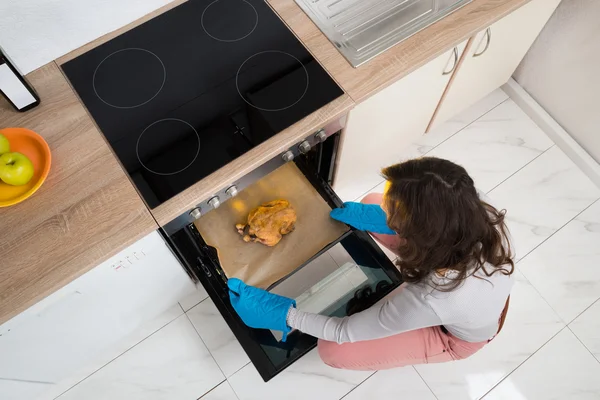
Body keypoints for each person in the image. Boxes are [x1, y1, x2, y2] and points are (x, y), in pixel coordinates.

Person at [227, 157, 515, 370]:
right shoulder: (474, 204)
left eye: (394, 211)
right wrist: (384, 215)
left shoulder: (435, 297)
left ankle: (440, 344)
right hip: (481, 293)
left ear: (424, 232)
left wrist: (285, 315)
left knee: (334, 350)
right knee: (372, 200)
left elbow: (344, 330)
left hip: (456, 334)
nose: (386, 207)